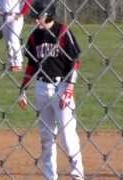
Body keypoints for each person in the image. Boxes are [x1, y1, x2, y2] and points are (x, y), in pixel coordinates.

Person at [17, 0, 84, 179]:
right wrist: (22, 90)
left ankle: (77, 175)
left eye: (38, 17)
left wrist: (70, 87)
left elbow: (75, 61)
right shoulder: (34, 36)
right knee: (46, 139)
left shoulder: (63, 32)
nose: (35, 21)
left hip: (61, 86)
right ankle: (49, 177)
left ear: (48, 15)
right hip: (40, 88)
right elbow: (31, 66)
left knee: (68, 138)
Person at [0, 0, 32, 72]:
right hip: (2, 17)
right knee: (8, 42)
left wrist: (22, 13)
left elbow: (28, 1)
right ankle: (12, 64)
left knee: (13, 39)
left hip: (15, 16)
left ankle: (18, 63)